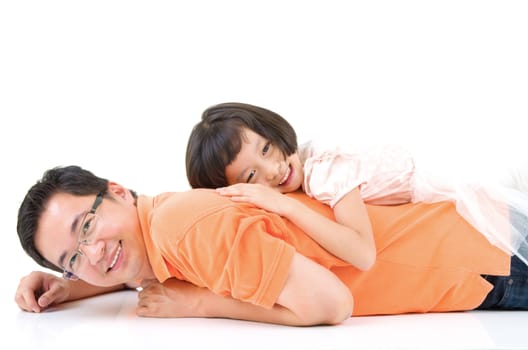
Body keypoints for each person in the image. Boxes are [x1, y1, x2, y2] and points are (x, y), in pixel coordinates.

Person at [14, 165, 528, 326]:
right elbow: (130, 262)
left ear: (118, 191)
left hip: (483, 258)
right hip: (475, 236)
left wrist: (201, 304)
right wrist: (69, 289)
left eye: (86, 227)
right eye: (72, 258)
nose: (93, 253)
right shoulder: (162, 223)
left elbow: (332, 305)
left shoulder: (186, 230)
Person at [185, 102, 528, 267]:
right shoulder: (309, 166)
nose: (273, 170)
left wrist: (285, 204)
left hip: (474, 182)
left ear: (275, 131)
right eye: (251, 176)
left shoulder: (323, 172)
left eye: (267, 148)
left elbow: (363, 254)